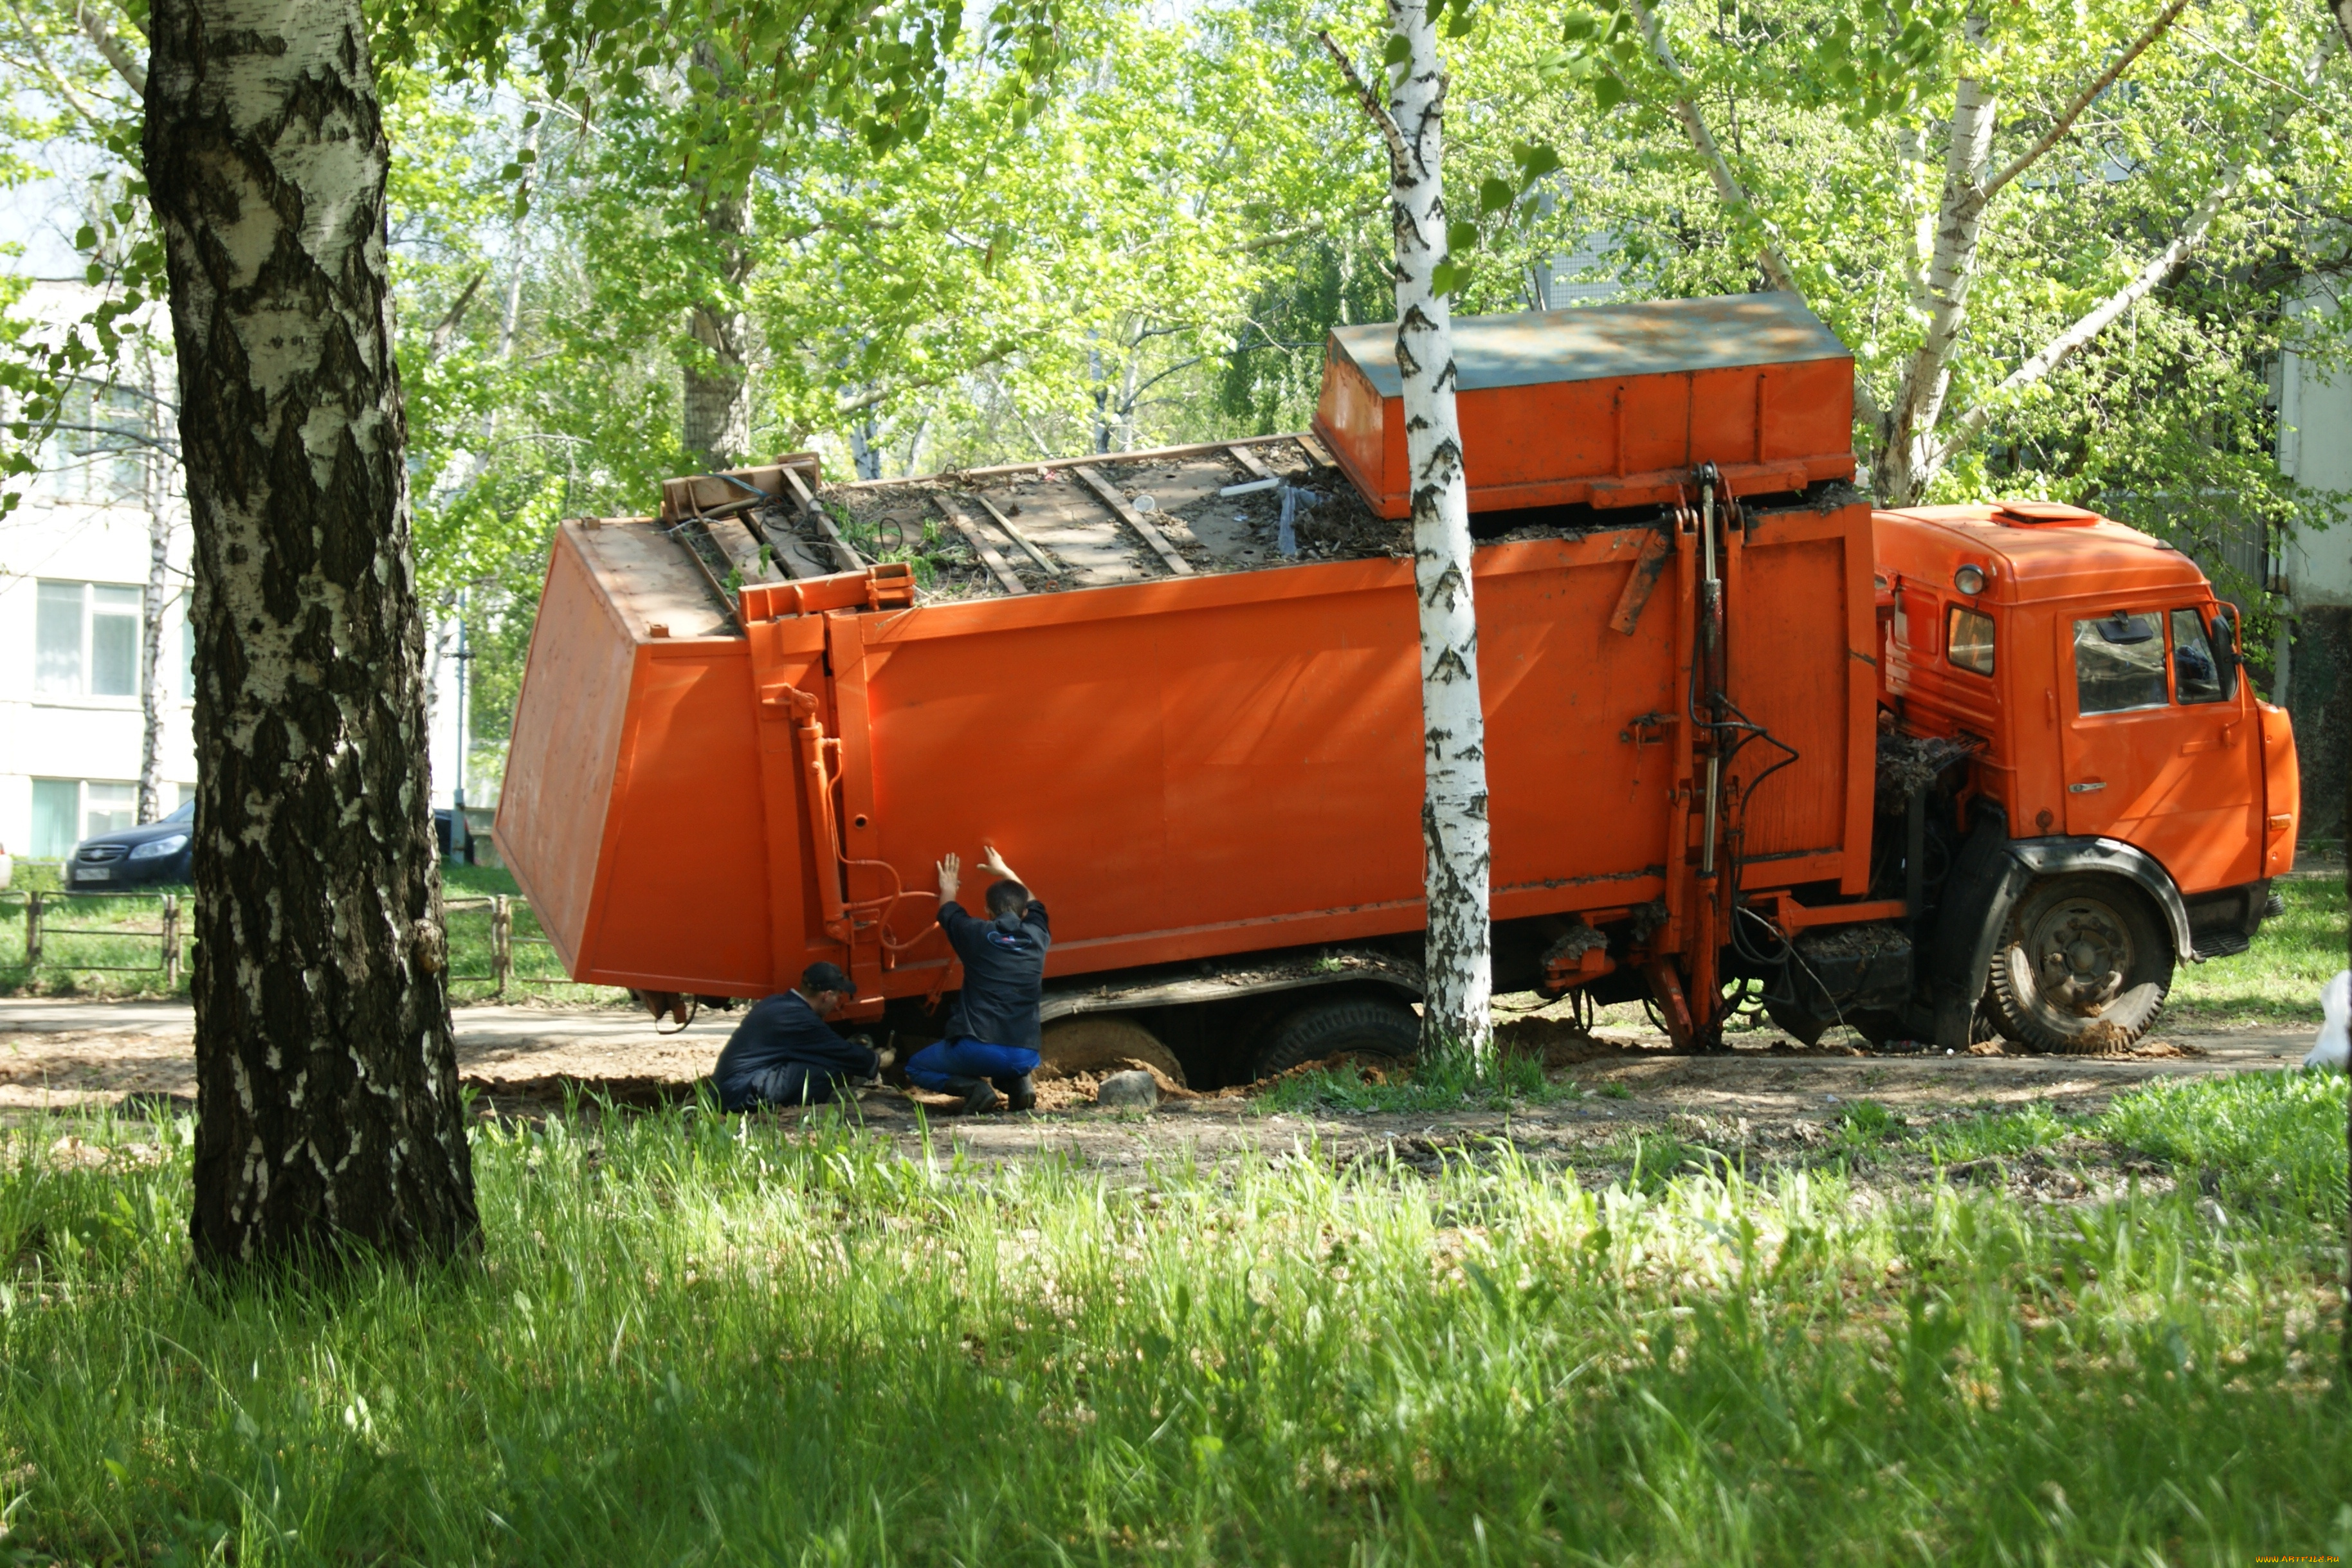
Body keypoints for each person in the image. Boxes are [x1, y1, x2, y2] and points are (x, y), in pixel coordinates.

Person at [905, 845, 1049, 1113]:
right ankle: (1019, 1085)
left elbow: (948, 911)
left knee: (916, 1066)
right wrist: (1005, 870)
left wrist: (948, 886)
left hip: (977, 1049)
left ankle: (976, 1090)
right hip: (1025, 1055)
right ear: (1025, 913)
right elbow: (1034, 903)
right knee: (1008, 1059)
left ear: (987, 910)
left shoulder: (976, 934)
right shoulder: (1037, 935)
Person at [710, 962, 891, 1112]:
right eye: (838, 996)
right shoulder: (800, 1018)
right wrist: (878, 1060)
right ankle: (790, 1108)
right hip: (738, 1094)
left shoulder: (778, 1003)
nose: (837, 1003)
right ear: (827, 996)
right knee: (825, 1070)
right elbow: (839, 1052)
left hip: (732, 1087)